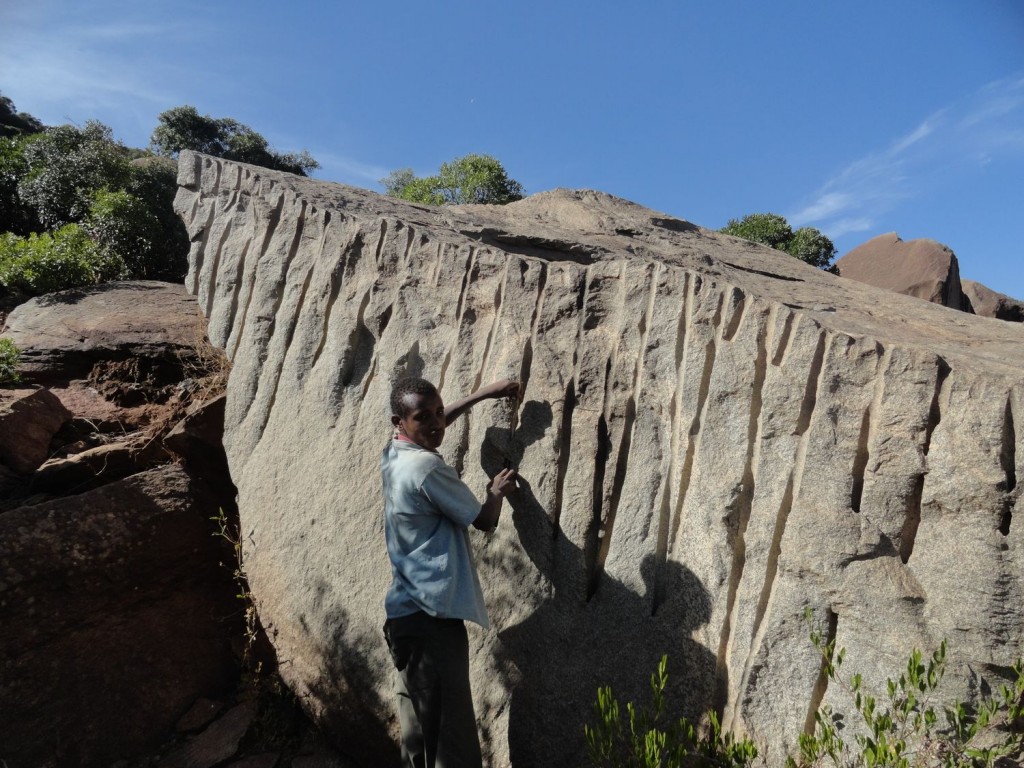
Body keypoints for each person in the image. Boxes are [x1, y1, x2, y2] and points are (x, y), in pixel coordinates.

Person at [382, 376, 520, 768]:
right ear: (400, 421)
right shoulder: (426, 468)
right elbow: (481, 521)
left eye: (440, 412)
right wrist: (495, 492)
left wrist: (482, 395)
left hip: (403, 621)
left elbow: (431, 427)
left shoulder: (394, 456)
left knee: (418, 743)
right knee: (452, 746)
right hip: (433, 625)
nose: (436, 424)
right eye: (423, 418)